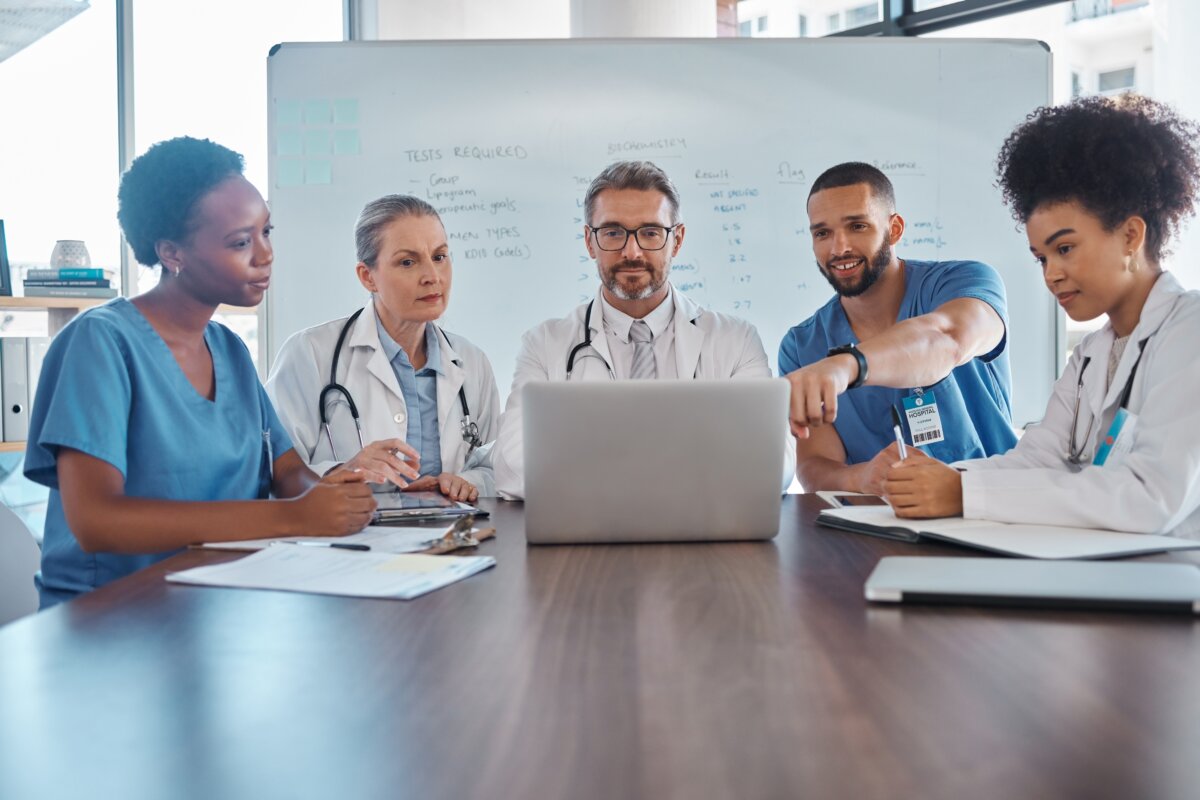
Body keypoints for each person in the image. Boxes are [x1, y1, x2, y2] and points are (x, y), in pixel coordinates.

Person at [25, 137, 385, 608]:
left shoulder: (229, 349)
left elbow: (287, 469)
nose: (265, 254)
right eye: (240, 242)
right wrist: (294, 518)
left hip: (220, 604)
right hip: (109, 618)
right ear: (172, 253)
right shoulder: (100, 343)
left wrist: (337, 493)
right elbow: (97, 521)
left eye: (266, 232)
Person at [883, 94, 1200, 537]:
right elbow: (1035, 459)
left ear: (1130, 235)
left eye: (1064, 248)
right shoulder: (1091, 356)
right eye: (1041, 258)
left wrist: (963, 494)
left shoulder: (1189, 333)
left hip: (1173, 584)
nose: (1052, 274)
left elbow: (1151, 498)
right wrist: (941, 478)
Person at [494, 160, 792, 500]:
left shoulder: (735, 341)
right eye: (613, 233)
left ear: (676, 240)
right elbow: (512, 466)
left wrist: (592, 464)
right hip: (590, 541)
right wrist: (691, 464)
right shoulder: (544, 345)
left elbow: (774, 462)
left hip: (702, 539)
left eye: (650, 232)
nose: (631, 252)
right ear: (590, 242)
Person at [779, 162, 1017, 494]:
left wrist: (847, 365)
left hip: (993, 510)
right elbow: (815, 465)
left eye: (858, 226)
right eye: (822, 233)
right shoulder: (801, 345)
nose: (839, 248)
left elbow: (946, 339)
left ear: (895, 229)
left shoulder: (966, 281)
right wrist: (859, 478)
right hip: (880, 528)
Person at [266, 195, 500, 501]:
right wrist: (344, 471)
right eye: (407, 262)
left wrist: (466, 482)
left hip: (452, 539)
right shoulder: (310, 354)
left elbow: (497, 466)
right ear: (368, 277)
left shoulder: (471, 362)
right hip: (348, 542)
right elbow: (274, 474)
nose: (432, 276)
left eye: (440, 256)